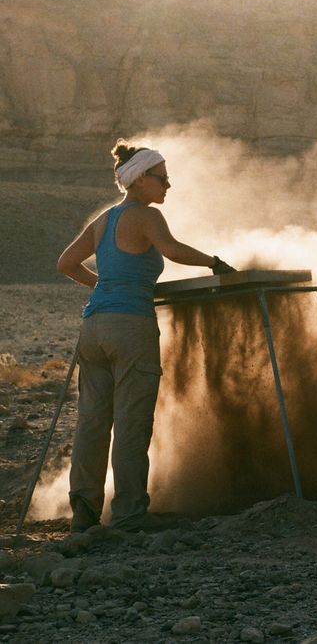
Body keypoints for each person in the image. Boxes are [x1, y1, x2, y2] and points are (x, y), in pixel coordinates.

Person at [57, 140, 236, 533]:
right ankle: (129, 514)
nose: (167, 186)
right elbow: (171, 250)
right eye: (162, 178)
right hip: (130, 327)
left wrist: (104, 285)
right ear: (139, 180)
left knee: (91, 422)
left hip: (93, 327)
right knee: (131, 422)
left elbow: (66, 263)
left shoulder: (104, 220)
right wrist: (214, 261)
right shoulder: (145, 215)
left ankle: (84, 512)